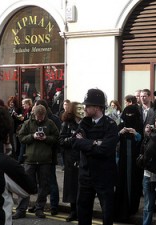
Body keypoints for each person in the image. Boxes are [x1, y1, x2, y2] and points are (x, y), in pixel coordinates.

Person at [72, 88, 119, 225]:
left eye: (88, 106)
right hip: (86, 174)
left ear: (98, 108)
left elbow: (105, 149)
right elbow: (75, 142)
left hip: (104, 175)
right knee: (83, 210)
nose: (85, 108)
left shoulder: (110, 125)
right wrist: (94, 143)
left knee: (107, 212)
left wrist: (85, 143)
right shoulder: (84, 123)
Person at [12, 105, 59, 219]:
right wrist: (32, 136)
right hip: (30, 159)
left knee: (44, 186)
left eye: (42, 117)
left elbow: (57, 137)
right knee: (25, 185)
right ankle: (21, 209)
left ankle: (39, 209)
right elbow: (21, 137)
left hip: (45, 160)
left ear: (44, 115)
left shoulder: (50, 123)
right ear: (34, 114)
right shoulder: (28, 123)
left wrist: (46, 138)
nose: (39, 119)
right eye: (38, 117)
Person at [114, 101, 143, 222]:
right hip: (121, 163)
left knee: (134, 184)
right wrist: (120, 133)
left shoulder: (140, 126)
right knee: (121, 184)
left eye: (132, 115)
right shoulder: (120, 126)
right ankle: (121, 209)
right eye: (128, 114)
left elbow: (143, 142)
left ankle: (132, 208)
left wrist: (136, 134)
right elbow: (112, 140)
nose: (130, 117)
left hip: (135, 164)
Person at [34, 99, 61, 216]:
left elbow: (57, 137)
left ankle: (54, 206)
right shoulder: (52, 119)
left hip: (49, 155)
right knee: (44, 182)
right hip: (39, 155)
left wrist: (46, 138)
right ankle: (42, 206)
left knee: (50, 181)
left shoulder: (52, 120)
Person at [59, 101, 84, 222]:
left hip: (83, 158)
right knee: (72, 186)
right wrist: (73, 138)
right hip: (71, 159)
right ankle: (73, 211)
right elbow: (61, 141)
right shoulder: (67, 124)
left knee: (83, 187)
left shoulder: (86, 123)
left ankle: (81, 211)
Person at [17, 98, 33, 163]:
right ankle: (21, 159)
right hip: (25, 131)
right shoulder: (26, 111)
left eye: (24, 104)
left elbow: (29, 121)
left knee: (23, 145)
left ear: (28, 104)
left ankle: (20, 160)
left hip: (27, 132)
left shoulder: (30, 111)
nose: (23, 106)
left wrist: (23, 119)